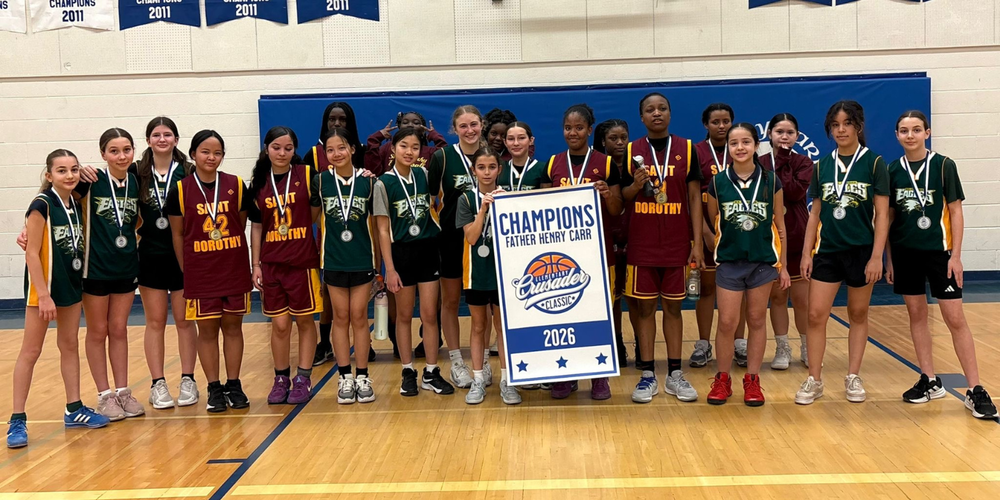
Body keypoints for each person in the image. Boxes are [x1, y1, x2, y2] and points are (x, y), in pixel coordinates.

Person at [886, 111, 997, 419]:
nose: (910, 135)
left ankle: (975, 388)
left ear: (927, 132)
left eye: (916, 130)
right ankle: (929, 379)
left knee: (955, 318)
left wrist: (957, 256)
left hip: (940, 254)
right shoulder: (893, 169)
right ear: (897, 135)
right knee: (916, 315)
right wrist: (889, 259)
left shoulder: (945, 165)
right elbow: (890, 218)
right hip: (905, 253)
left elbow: (956, 212)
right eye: (904, 130)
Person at [7, 150, 110, 449]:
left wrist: (89, 171)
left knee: (69, 346)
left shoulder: (74, 201)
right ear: (49, 175)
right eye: (62, 170)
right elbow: (31, 253)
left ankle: (74, 408)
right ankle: (17, 419)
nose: (70, 175)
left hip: (70, 285)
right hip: (45, 290)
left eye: (74, 169)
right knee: (31, 351)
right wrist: (44, 296)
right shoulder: (41, 205)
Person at [795, 100, 889, 405]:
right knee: (815, 314)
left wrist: (877, 257)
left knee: (858, 313)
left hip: (862, 252)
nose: (841, 129)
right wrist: (807, 253)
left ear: (858, 127)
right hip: (827, 251)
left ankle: (853, 376)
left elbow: (883, 215)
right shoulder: (822, 166)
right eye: (835, 125)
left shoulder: (875, 164)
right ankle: (814, 379)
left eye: (847, 123)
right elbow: (814, 213)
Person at [623, 93, 704, 404]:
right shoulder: (631, 151)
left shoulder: (687, 148)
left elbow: (695, 198)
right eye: (649, 110)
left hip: (676, 245)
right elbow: (624, 197)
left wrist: (696, 243)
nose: (656, 113)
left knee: (673, 308)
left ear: (670, 114)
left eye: (662, 108)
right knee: (643, 309)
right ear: (641, 117)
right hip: (642, 244)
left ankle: (674, 373)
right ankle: (646, 374)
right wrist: (635, 182)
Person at [541, 103, 624, 400]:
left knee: (598, 314)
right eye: (568, 128)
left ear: (590, 130)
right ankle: (567, 374)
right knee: (564, 313)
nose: (572, 133)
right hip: (563, 258)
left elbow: (616, 210)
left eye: (578, 128)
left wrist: (605, 194)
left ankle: (600, 377)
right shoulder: (552, 164)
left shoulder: (605, 163)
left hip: (598, 254)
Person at [167, 130, 253, 413]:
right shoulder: (180, 189)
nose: (211, 157)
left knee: (233, 327)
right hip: (201, 271)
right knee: (206, 331)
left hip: (233, 268)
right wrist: (186, 268)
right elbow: (178, 234)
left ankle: (234, 383)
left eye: (217, 153)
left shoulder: (236, 185)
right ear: (193, 154)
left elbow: (239, 224)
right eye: (205, 151)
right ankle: (214, 386)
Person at [705, 123, 790, 406]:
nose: (740, 148)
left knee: (756, 320)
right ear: (727, 147)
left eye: (745, 142)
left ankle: (752, 380)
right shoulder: (717, 183)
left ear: (756, 145)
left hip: (762, 263)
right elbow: (714, 219)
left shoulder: (771, 181)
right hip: (729, 262)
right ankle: (722, 379)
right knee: (728, 322)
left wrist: (785, 265)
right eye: (733, 143)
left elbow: (780, 225)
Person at [375, 128, 455, 397]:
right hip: (401, 254)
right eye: (404, 146)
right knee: (404, 316)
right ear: (393, 148)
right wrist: (390, 269)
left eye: (416, 147)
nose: (410, 152)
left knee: (430, 315)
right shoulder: (383, 183)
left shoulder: (423, 174)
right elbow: (383, 230)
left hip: (428, 250)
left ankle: (431, 372)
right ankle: (408, 370)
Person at [249, 126, 322, 405]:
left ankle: (303, 377)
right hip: (271, 263)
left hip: (301, 262)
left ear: (295, 150)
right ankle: (281, 377)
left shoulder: (306, 175)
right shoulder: (258, 182)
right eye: (277, 147)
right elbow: (257, 228)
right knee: (279, 325)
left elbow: (314, 215)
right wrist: (255, 264)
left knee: (304, 320)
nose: (282, 153)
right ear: (266, 148)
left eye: (288, 148)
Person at [133, 117, 199, 409]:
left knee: (185, 321)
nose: (162, 139)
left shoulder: (189, 171)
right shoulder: (136, 173)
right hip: (149, 255)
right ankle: (157, 384)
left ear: (176, 139)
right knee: (155, 322)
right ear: (148, 140)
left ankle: (188, 379)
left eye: (168, 134)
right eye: (156, 134)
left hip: (183, 256)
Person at [81, 128, 144, 421]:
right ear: (103, 154)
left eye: (127, 149)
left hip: (126, 266)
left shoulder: (136, 180)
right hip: (95, 268)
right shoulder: (90, 181)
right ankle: (104, 394)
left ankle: (122, 391)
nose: (122, 156)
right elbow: (53, 194)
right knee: (98, 331)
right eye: (114, 151)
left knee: (119, 329)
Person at [313, 127, 380, 404]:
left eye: (341, 148)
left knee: (359, 317)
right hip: (333, 260)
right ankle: (345, 377)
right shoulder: (319, 182)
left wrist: (380, 268)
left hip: (362, 259)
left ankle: (363, 375)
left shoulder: (369, 182)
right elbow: (310, 219)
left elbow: (378, 227)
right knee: (340, 317)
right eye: (330, 150)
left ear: (352, 149)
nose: (336, 154)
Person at [427, 105, 486, 387]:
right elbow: (426, 199)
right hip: (451, 241)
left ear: (482, 124)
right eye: (463, 126)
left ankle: (482, 360)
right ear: (454, 129)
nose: (470, 130)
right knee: (450, 301)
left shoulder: (491, 157)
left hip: (485, 242)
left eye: (474, 124)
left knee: (482, 305)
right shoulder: (442, 157)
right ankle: (456, 361)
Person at [303, 102, 365, 366]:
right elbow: (309, 209)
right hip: (328, 239)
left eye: (342, 119)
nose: (337, 124)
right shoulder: (313, 159)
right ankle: (325, 343)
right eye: (332, 120)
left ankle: (362, 360)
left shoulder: (364, 167)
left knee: (358, 312)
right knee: (330, 300)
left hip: (360, 243)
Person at [457, 146, 520, 404]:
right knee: (478, 325)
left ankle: (507, 381)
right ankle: (479, 379)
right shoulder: (466, 199)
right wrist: (483, 209)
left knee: (502, 327)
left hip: (504, 272)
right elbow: (471, 237)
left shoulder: (510, 196)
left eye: (491, 167)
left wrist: (505, 204)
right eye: (481, 167)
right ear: (474, 170)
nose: (486, 172)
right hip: (476, 273)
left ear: (499, 169)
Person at [692, 103, 745, 368]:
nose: (721, 126)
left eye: (726, 121)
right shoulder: (697, 152)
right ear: (706, 125)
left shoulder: (742, 150)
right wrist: (705, 232)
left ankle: (740, 343)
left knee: (741, 289)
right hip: (708, 234)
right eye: (716, 122)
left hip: (739, 234)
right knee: (707, 289)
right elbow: (692, 198)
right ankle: (703, 343)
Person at [760, 113, 814, 370]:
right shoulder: (757, 163)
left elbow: (793, 192)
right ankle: (782, 347)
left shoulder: (804, 162)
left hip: (797, 237)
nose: (784, 136)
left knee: (803, 300)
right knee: (778, 298)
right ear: (769, 134)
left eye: (790, 132)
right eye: (779, 131)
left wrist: (782, 161)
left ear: (796, 136)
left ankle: (807, 345)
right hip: (770, 239)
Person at [593, 118, 634, 367]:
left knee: (637, 298)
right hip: (605, 234)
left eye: (623, 138)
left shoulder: (636, 164)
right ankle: (615, 341)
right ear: (602, 141)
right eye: (613, 138)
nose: (620, 143)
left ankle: (641, 341)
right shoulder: (598, 167)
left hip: (633, 231)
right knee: (612, 297)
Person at [365, 111, 447, 175]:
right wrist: (377, 137)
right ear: (399, 127)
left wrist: (434, 135)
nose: (410, 125)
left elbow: (444, 155)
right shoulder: (389, 147)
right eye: (405, 122)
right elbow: (373, 169)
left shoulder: (429, 151)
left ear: (423, 130)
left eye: (416, 123)